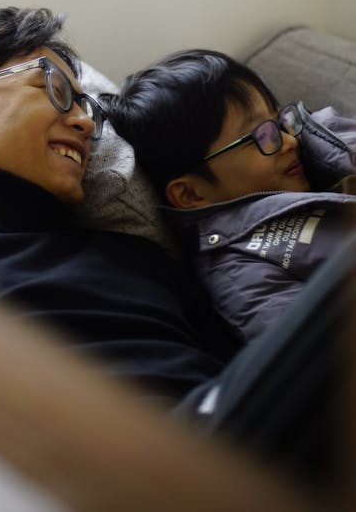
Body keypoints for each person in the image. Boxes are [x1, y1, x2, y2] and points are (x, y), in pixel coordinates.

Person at [0, 7, 352, 494]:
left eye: (85, 107)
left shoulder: (135, 256)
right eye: (56, 91)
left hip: (253, 456)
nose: (85, 125)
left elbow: (255, 366)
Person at [102, 47, 356, 340]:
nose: (288, 141)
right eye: (260, 136)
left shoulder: (310, 138)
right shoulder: (241, 277)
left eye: (277, 123)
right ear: (190, 194)